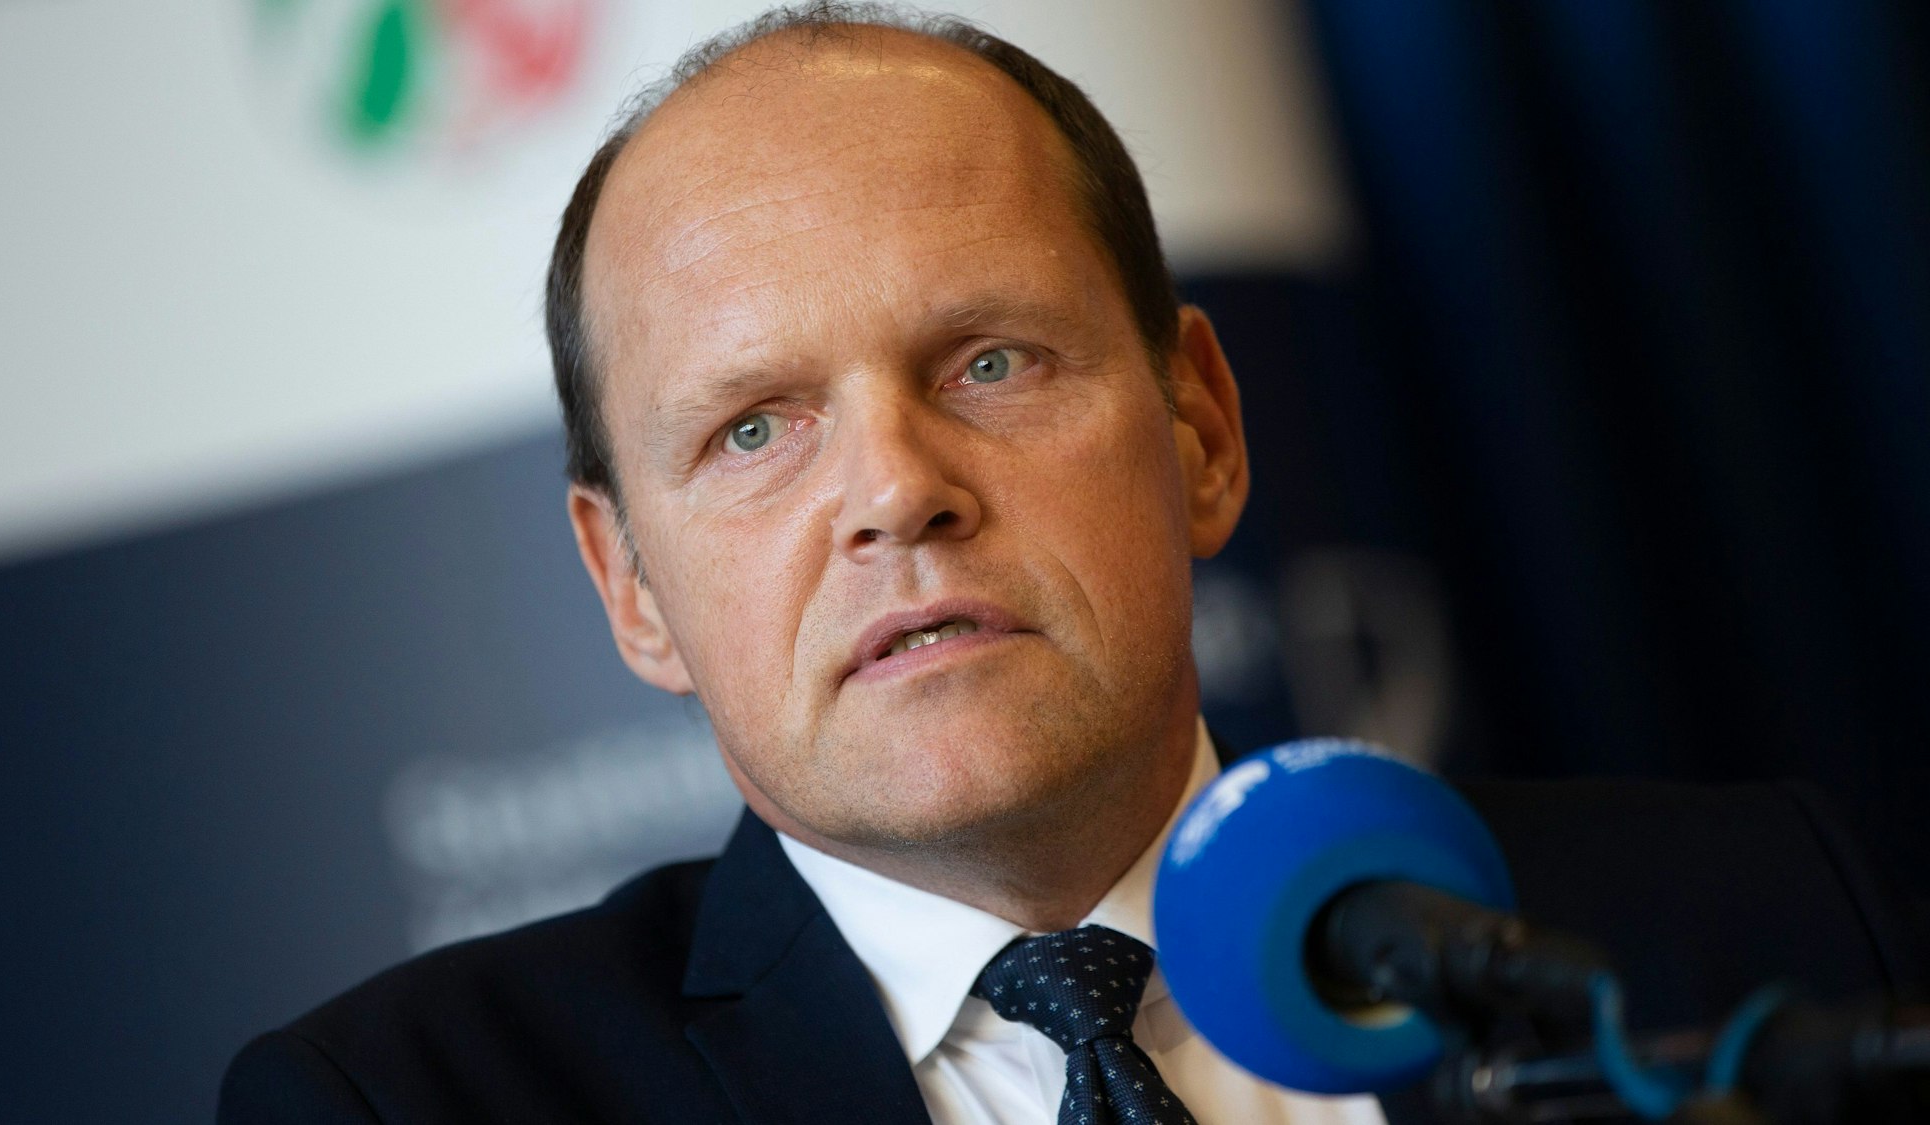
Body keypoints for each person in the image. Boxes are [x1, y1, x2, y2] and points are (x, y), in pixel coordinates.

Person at [220, 5, 1923, 1124]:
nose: (895, 490)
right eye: (754, 428)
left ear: (1198, 428)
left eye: (987, 363)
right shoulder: (415, 1103)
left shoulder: (1734, 927)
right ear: (632, 586)